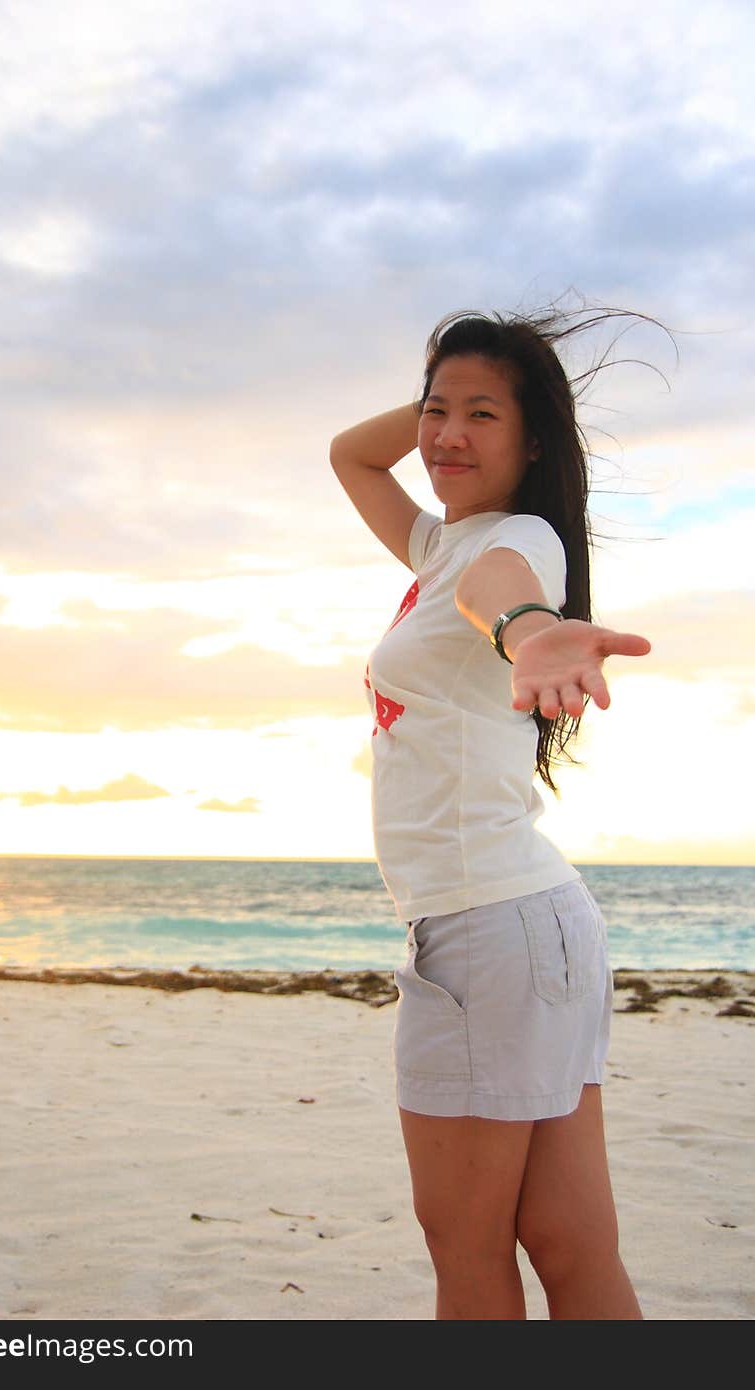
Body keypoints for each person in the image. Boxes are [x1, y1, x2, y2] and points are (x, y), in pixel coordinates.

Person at [329, 306, 652, 1320]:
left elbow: (504, 595)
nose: (446, 436)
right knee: (569, 1243)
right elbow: (350, 456)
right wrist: (448, 404)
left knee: (465, 1250)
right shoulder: (439, 542)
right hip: (534, 925)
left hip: (484, 930)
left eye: (483, 416)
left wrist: (530, 634)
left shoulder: (509, 545)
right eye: (435, 411)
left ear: (534, 438)